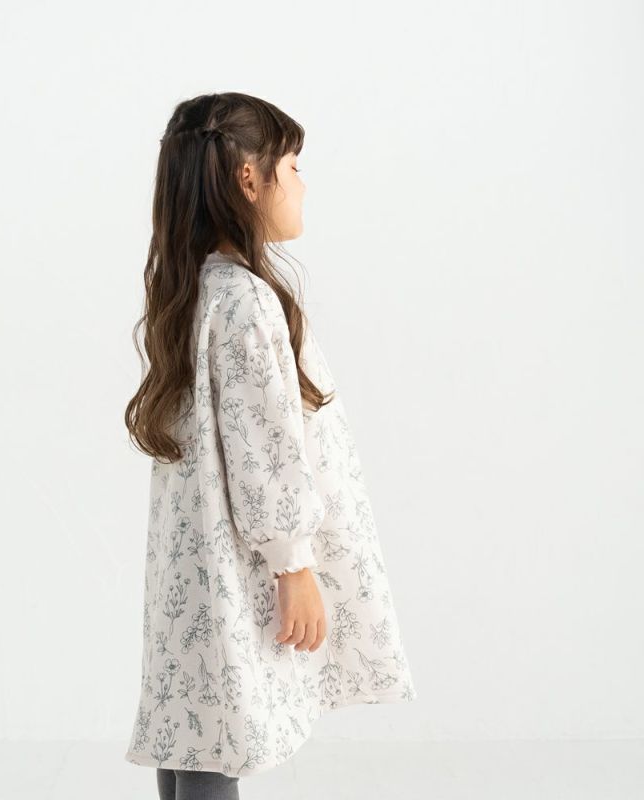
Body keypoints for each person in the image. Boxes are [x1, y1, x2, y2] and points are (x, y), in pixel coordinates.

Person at [123, 92, 417, 799]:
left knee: (196, 726)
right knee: (222, 731)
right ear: (248, 179)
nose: (303, 185)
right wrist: (294, 565)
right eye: (293, 167)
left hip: (193, 560)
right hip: (240, 559)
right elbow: (265, 447)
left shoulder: (192, 290)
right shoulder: (247, 302)